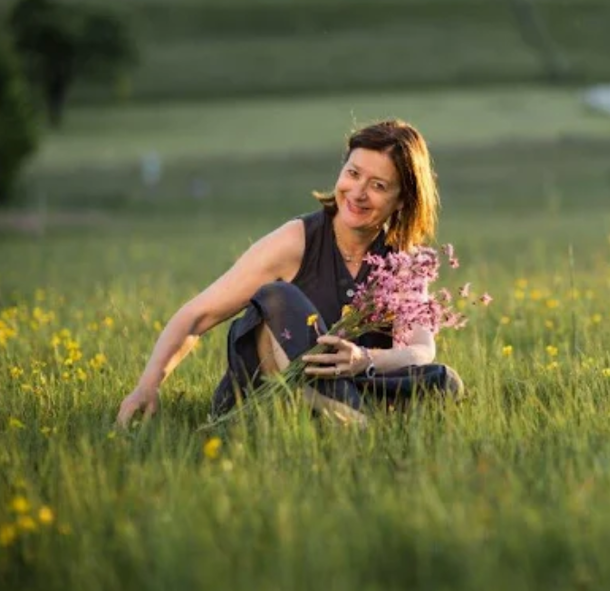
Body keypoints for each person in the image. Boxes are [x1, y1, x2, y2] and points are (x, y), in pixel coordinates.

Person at [116, 119, 464, 428]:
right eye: (353, 174)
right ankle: (345, 417)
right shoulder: (295, 241)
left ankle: (346, 413)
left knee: (445, 380)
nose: (357, 193)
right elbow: (197, 316)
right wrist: (148, 386)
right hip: (266, 391)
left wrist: (364, 360)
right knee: (278, 298)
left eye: (378, 186)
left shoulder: (404, 260)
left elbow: (421, 348)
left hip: (352, 383)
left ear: (402, 200)